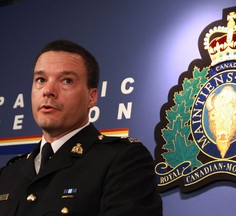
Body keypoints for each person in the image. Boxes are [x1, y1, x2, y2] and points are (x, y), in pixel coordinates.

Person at [0, 39, 163, 215]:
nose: (48, 90)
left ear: (91, 97)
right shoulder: (8, 174)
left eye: (66, 81)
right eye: (41, 79)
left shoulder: (123, 160)